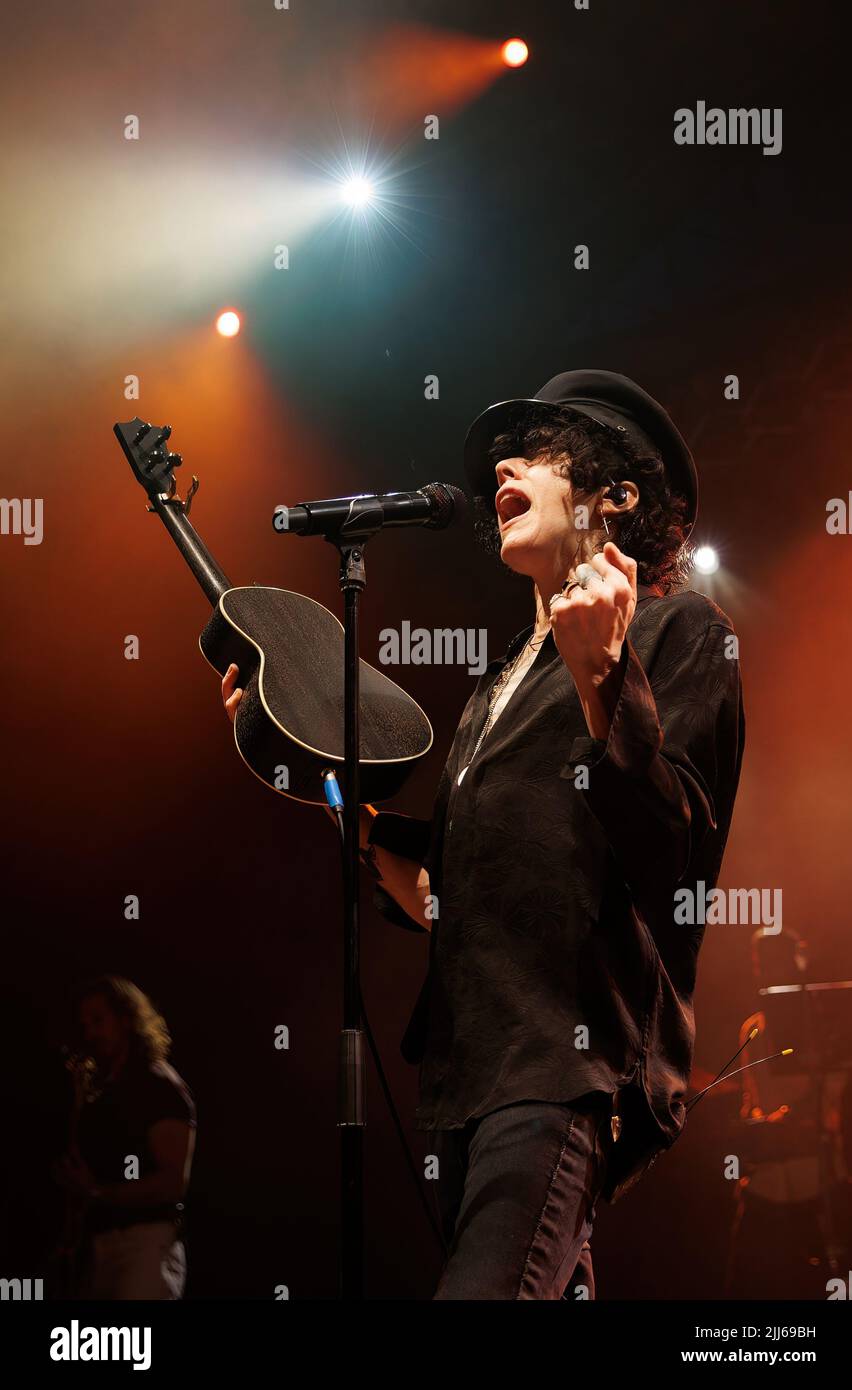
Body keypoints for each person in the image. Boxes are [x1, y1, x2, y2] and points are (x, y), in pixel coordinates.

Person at [222, 369, 745, 1300]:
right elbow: (444, 895)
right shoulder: (497, 683)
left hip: (563, 1067)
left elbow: (678, 862)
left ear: (617, 494)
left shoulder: (680, 632)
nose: (504, 461)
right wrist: (318, 788)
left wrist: (606, 679)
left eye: (543, 451)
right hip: (470, 1078)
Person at [53, 976, 196, 1299]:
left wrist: (98, 1191)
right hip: (101, 1246)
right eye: (84, 1024)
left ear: (127, 1019)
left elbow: (172, 1183)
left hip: (144, 1245)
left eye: (99, 1020)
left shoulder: (158, 1085)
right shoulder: (101, 1092)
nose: (90, 1033)